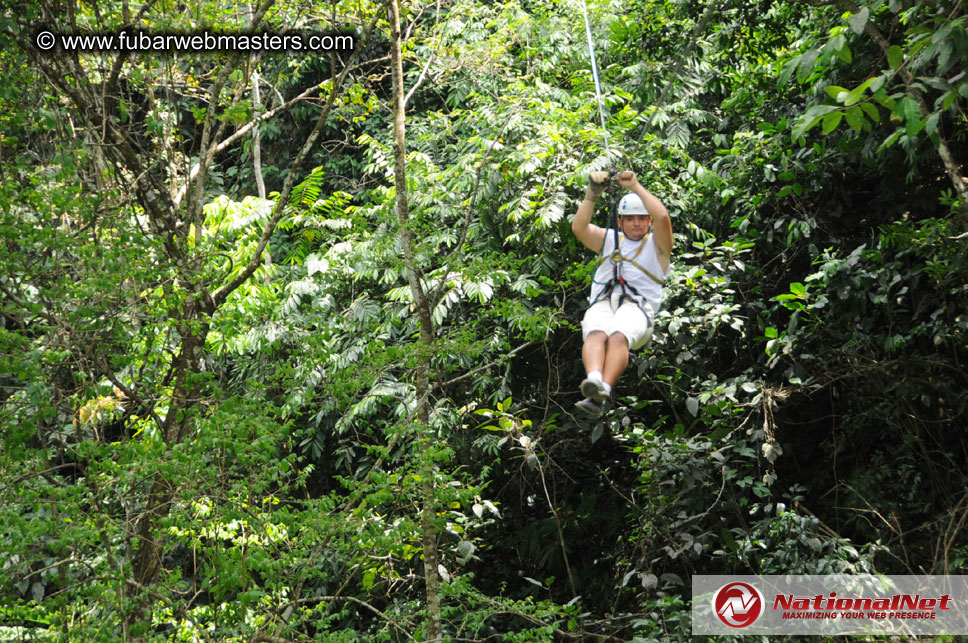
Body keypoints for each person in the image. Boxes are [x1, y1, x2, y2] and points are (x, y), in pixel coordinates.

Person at [571, 170, 673, 416]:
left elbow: (663, 216)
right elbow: (579, 228)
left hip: (638, 308)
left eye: (641, 218)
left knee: (618, 334)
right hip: (605, 301)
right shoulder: (609, 240)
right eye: (630, 218)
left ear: (649, 222)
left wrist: (635, 186)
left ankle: (604, 389)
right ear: (620, 222)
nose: (636, 223)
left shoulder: (658, 246)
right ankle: (594, 381)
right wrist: (592, 194)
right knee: (595, 331)